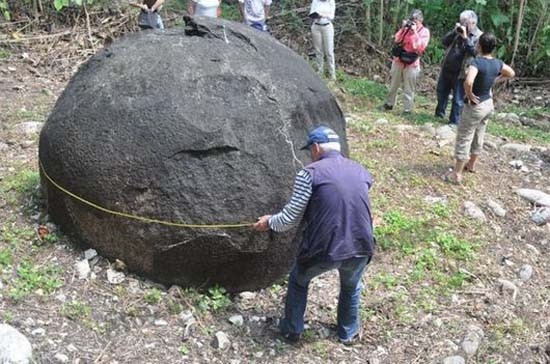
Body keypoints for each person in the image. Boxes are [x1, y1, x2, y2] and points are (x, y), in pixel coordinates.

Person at [253, 126, 375, 345]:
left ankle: (292, 329)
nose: (310, 154)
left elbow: (290, 217)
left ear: (317, 147)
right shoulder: (361, 171)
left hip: (326, 247)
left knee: (299, 279)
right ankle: (348, 333)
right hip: (362, 244)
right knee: (351, 286)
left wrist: (269, 222)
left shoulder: (310, 174)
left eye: (310, 149)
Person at [445, 33, 515, 184]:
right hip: (488, 104)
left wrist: (469, 94)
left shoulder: (477, 63)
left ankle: (456, 173)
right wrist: (495, 80)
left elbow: (468, 82)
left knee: (464, 136)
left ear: (479, 46)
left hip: (475, 106)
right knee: (479, 134)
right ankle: (471, 164)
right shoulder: (497, 63)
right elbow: (511, 73)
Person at [435, 10, 483, 125]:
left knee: (457, 99)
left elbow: (475, 53)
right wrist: (454, 32)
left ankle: (454, 121)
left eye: (465, 22)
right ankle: (439, 114)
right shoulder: (458, 31)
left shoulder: (479, 36)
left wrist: (466, 38)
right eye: (461, 21)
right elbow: (444, 42)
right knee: (441, 91)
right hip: (448, 67)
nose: (462, 24)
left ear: (472, 22)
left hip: (461, 71)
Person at [383, 9, 430, 114]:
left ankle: (407, 109)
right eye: (412, 19)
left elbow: (419, 47)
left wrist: (414, 32)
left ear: (421, 20)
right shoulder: (406, 28)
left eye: (416, 20)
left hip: (412, 63)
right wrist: (403, 28)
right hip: (399, 60)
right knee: (393, 84)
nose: (414, 22)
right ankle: (389, 104)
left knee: (409, 88)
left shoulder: (424, 32)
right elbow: (397, 39)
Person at [309, 0, 336, 80]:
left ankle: (332, 74)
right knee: (318, 50)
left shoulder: (331, 2)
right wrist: (318, 15)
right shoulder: (315, 1)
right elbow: (312, 13)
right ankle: (320, 71)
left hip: (327, 27)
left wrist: (322, 14)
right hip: (316, 26)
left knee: (329, 51)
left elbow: (331, 16)